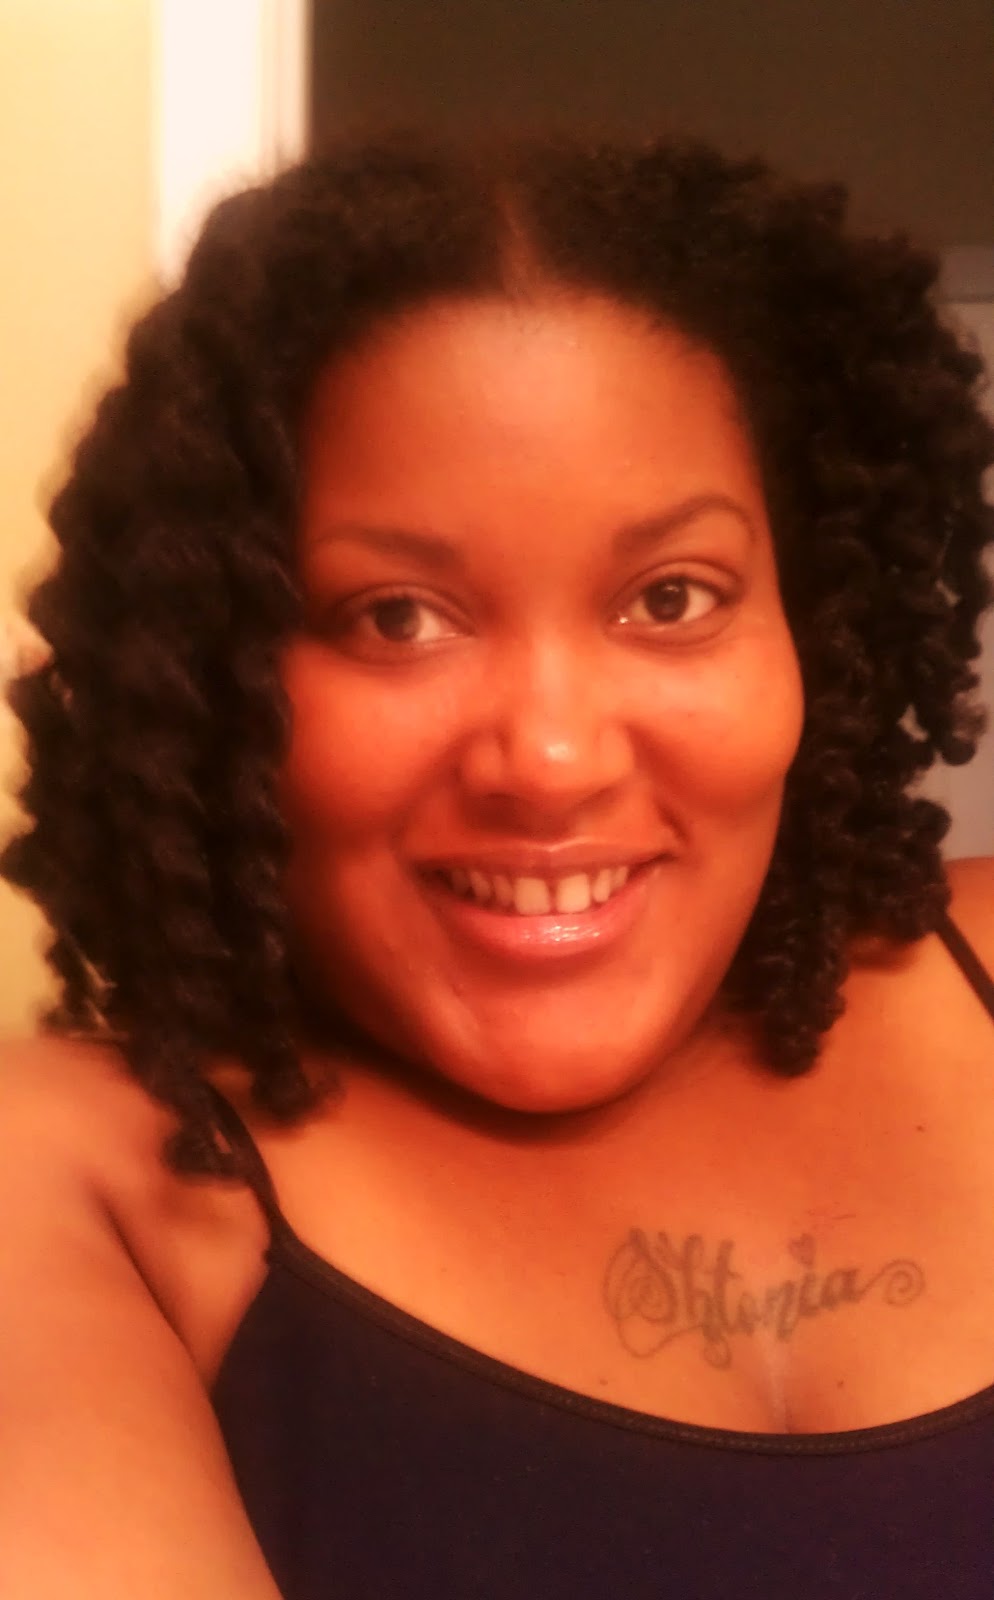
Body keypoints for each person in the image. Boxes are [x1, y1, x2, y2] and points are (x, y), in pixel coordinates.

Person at [2, 132, 994, 1599]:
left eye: (671, 597)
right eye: (396, 617)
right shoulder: (75, 1184)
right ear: (211, 677)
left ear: (813, 627)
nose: (551, 759)